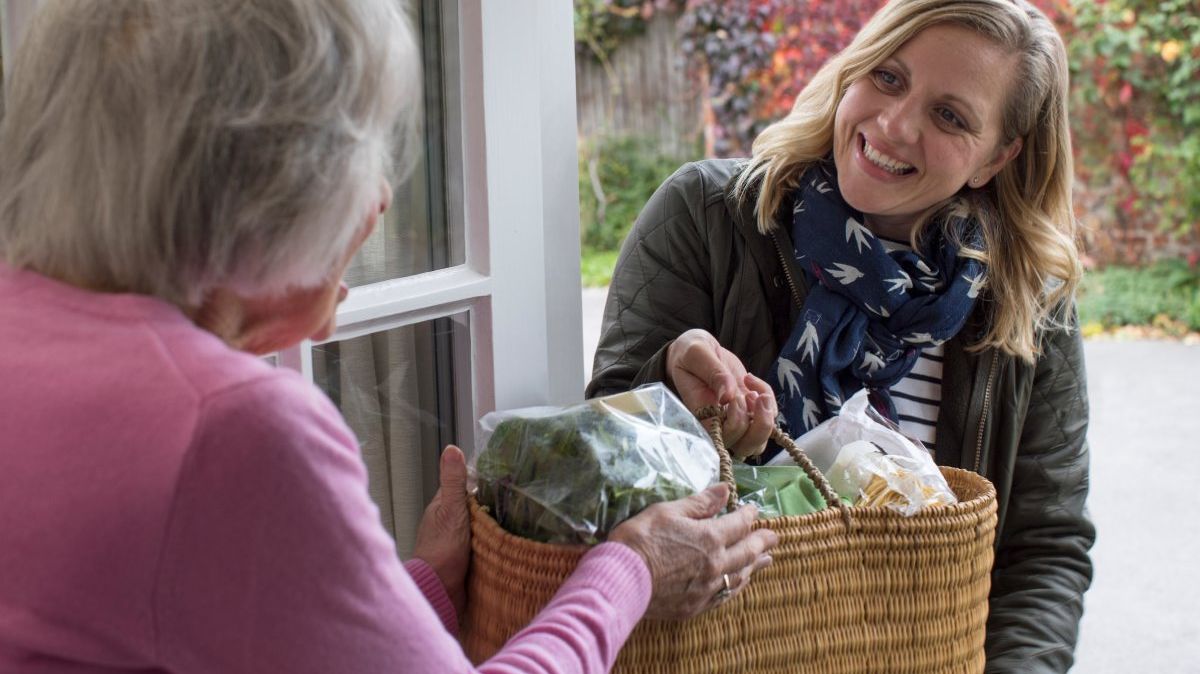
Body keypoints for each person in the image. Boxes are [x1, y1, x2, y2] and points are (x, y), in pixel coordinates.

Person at [0, 1, 779, 672]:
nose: (378, 199)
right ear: (269, 182)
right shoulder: (233, 428)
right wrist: (631, 571)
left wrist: (421, 586)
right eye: (364, 145)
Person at [588, 0, 1094, 671]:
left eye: (950, 116)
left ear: (996, 156)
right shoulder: (706, 218)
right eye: (887, 78)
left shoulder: (1029, 304)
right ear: (853, 71)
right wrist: (669, 389)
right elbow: (594, 466)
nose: (894, 124)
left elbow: (1044, 549)